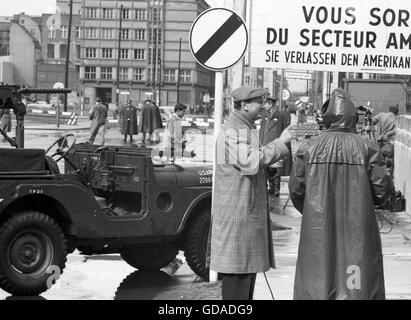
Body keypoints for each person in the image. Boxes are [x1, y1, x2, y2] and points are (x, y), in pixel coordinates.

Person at [289, 88, 392, 300]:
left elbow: (296, 192)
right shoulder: (368, 148)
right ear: (353, 116)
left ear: (326, 117)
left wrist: (312, 211)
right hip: (359, 228)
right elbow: (382, 191)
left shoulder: (307, 148)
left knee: (318, 278)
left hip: (317, 227)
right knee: (359, 283)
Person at [209, 86, 292, 300]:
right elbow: (250, 160)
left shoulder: (243, 127)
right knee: (238, 284)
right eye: (258, 102)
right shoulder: (233, 130)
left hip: (244, 217)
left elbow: (248, 161)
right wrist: (280, 143)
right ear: (244, 105)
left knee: (244, 283)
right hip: (238, 219)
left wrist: (269, 163)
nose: (263, 107)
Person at [259, 97, 292, 196]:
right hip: (265, 142)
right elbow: (262, 129)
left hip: (276, 141)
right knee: (266, 165)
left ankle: (276, 188)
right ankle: (267, 186)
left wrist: (282, 143)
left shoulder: (280, 115)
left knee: (277, 166)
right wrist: (260, 141)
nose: (265, 105)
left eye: (267, 103)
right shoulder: (264, 114)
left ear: (271, 104)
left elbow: (284, 129)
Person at [372, 104, 399, 176]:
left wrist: (377, 130)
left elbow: (373, 121)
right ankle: (387, 178)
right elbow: (396, 130)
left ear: (388, 110)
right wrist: (387, 134)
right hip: (388, 142)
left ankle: (379, 177)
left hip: (379, 142)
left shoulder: (381, 115)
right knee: (388, 163)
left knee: (378, 161)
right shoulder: (396, 118)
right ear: (396, 113)